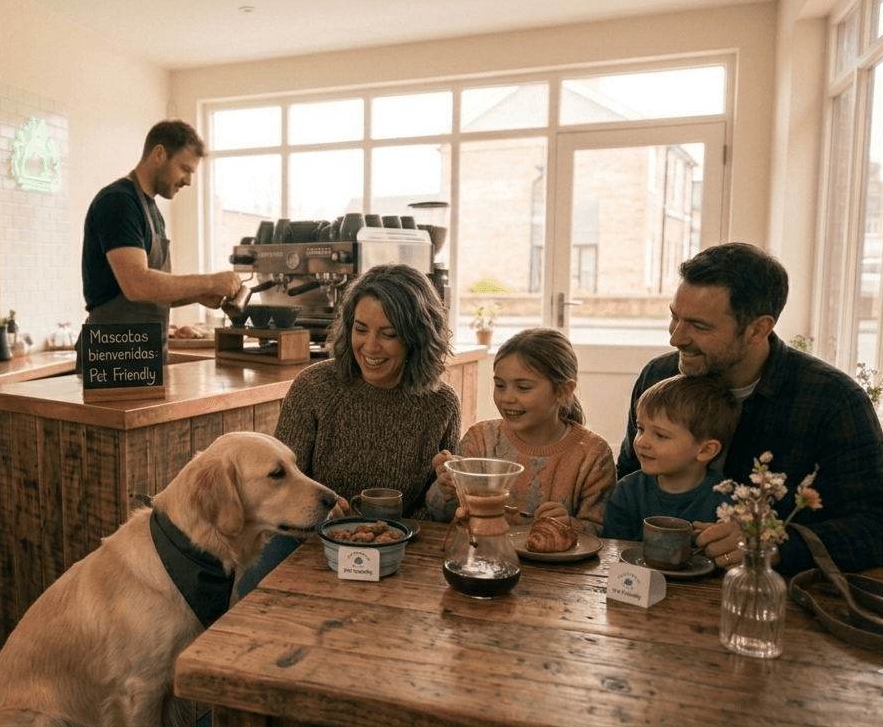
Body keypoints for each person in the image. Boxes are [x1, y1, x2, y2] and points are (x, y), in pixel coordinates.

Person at [615, 242, 883, 575]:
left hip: (775, 601)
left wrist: (774, 543)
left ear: (758, 329)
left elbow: (882, 533)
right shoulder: (659, 376)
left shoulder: (834, 401)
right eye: (674, 317)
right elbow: (627, 475)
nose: (676, 338)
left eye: (700, 326)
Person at [237, 263, 460, 594]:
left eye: (388, 334)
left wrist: (448, 490)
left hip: (399, 552)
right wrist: (319, 508)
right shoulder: (314, 387)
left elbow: (435, 510)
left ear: (416, 337)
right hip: (307, 542)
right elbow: (278, 487)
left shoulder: (441, 404)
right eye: (361, 329)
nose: (370, 347)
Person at [79, 120, 241, 364]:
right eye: (185, 168)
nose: (188, 181)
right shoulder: (118, 202)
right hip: (112, 359)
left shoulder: (152, 211)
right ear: (159, 154)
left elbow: (153, 292)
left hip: (143, 356)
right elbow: (137, 285)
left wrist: (199, 294)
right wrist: (209, 281)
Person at [429, 328, 616, 535]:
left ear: (563, 391)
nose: (507, 397)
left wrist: (568, 525)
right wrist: (446, 488)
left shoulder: (593, 456)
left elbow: (604, 532)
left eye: (523, 388)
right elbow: (442, 516)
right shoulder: (481, 439)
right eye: (500, 385)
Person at [601, 374, 740, 541]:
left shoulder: (727, 500)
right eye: (640, 429)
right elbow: (612, 553)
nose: (641, 442)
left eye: (660, 435)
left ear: (705, 450)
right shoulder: (627, 491)